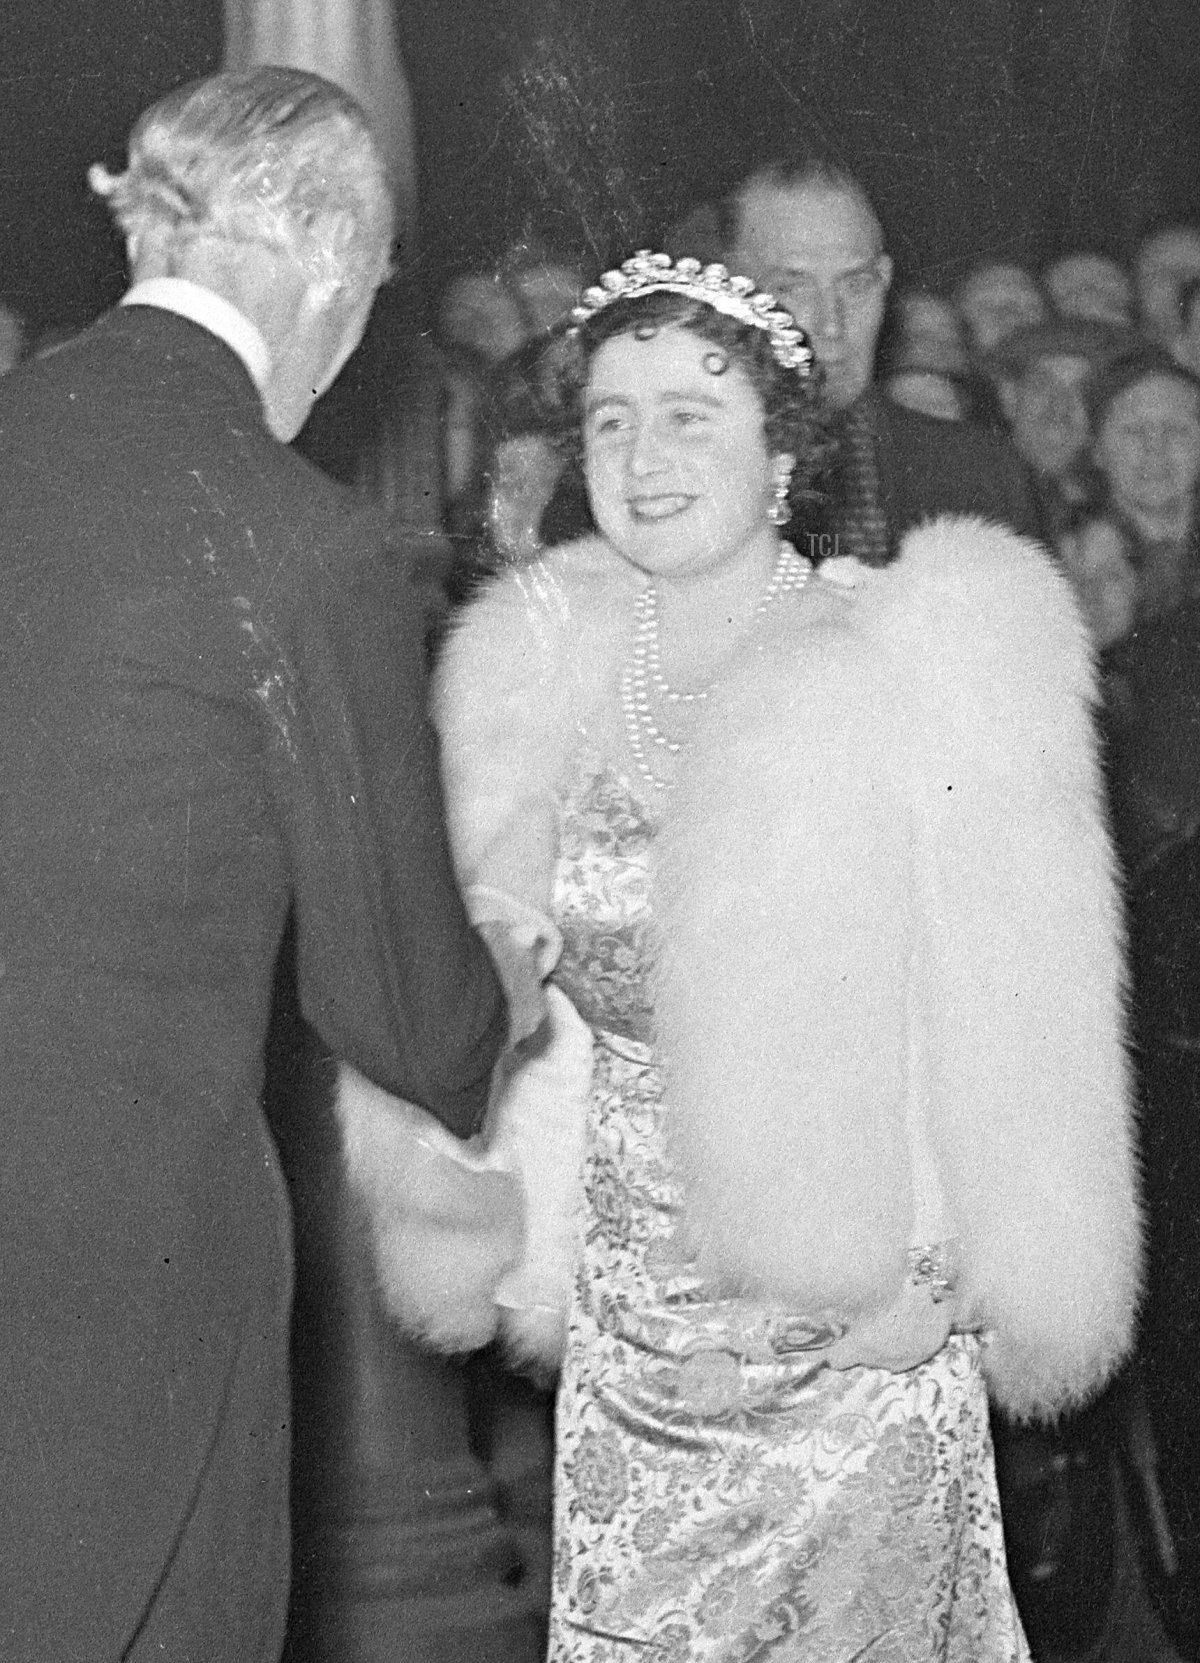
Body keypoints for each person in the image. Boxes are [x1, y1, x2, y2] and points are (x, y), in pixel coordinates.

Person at [420, 252, 1140, 1660]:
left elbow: (1003, 995)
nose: (645, 453)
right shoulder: (538, 670)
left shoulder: (895, 650)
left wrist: (937, 1268)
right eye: (614, 419)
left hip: (856, 1297)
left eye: (694, 414)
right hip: (634, 1309)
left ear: (782, 452)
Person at [0, 67, 540, 1661]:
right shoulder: (301, 541)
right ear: (316, 253)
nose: (349, 343)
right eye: (364, 296)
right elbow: (405, 1014)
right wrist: (506, 978)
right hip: (132, 1257)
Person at [716, 155, 1042, 564]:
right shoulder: (690, 476)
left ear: (885, 282)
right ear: (731, 294)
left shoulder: (979, 477)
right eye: (793, 288)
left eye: (855, 285)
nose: (831, 324)